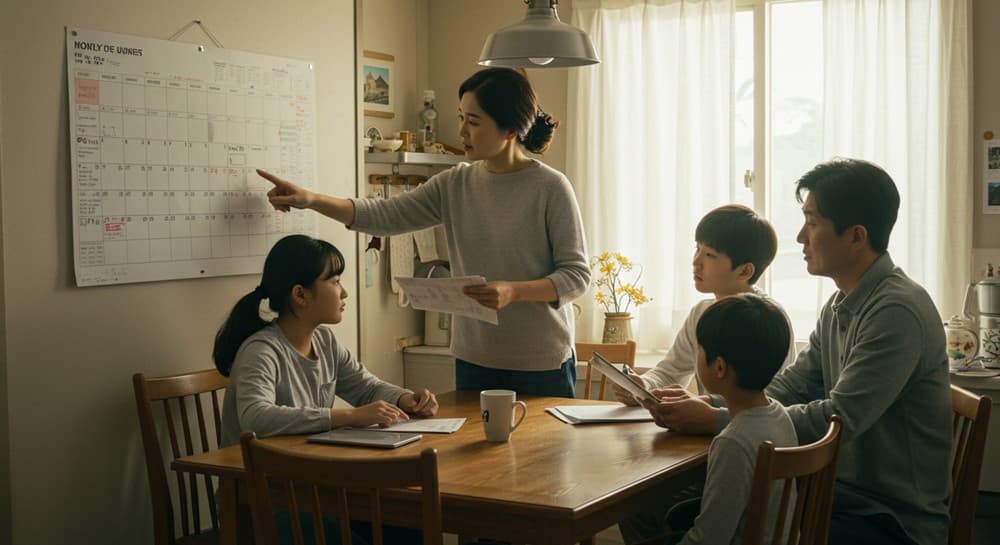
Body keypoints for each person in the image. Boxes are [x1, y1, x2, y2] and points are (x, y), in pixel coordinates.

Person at [642, 158, 952, 545]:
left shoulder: (896, 311)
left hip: (889, 518)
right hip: (836, 494)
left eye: (813, 222)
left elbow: (838, 418)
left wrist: (717, 419)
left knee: (694, 524)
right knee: (679, 514)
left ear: (856, 236)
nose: (802, 238)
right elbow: (793, 385)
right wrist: (718, 403)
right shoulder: (842, 301)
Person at [257, 67, 590, 398]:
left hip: (541, 364)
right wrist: (310, 200)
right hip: (475, 360)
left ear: (510, 130)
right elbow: (383, 215)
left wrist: (513, 292)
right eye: (461, 117)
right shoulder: (455, 183)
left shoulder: (550, 187)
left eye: (474, 122)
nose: (461, 131)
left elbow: (576, 276)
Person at [213, 234, 438, 545]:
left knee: (412, 529)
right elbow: (255, 417)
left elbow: (365, 386)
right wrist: (348, 416)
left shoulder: (325, 341)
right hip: (265, 499)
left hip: (314, 487)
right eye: (334, 281)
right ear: (300, 295)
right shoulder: (261, 351)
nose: (344, 291)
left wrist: (404, 398)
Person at [641, 294, 798, 544]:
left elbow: (709, 538)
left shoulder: (733, 442)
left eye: (699, 350)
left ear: (720, 367)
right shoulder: (779, 414)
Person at [613, 204, 796, 404]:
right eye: (697, 249)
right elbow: (671, 371)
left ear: (744, 271)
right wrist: (643, 386)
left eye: (709, 255)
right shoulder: (701, 312)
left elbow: (771, 399)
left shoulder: (767, 318)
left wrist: (704, 405)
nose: (696, 261)